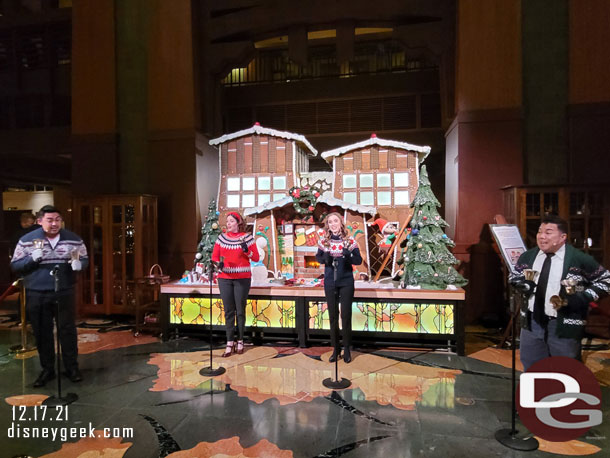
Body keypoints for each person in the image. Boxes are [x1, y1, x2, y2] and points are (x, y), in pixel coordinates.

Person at [511, 215, 610, 371]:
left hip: (563, 322)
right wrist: (521, 284)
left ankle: (565, 395)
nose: (542, 236)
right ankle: (536, 395)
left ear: (563, 237)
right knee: (532, 366)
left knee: (565, 369)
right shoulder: (528, 256)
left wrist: (583, 298)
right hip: (532, 321)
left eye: (548, 232)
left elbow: (605, 281)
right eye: (539, 231)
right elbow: (514, 275)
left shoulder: (579, 259)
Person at [10, 205, 88, 387]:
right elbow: (15, 265)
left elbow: (84, 258)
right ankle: (47, 369)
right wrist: (32, 259)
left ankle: (72, 367)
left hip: (64, 290)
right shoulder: (26, 240)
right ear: (39, 221)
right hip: (37, 292)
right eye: (50, 220)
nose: (54, 224)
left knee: (67, 330)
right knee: (42, 332)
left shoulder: (73, 239)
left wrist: (79, 265)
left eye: (57, 220)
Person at [316, 212, 363, 363]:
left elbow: (358, 260)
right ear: (328, 225)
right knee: (333, 316)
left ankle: (347, 348)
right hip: (330, 282)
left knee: (346, 315)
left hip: (346, 282)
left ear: (341, 223)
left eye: (335, 221)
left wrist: (348, 255)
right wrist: (326, 258)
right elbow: (319, 258)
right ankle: (336, 349)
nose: (333, 224)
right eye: (330, 222)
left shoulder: (349, 241)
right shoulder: (324, 241)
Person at [212, 211, 259, 357]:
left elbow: (256, 258)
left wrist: (247, 252)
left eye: (231, 221)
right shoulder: (221, 238)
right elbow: (214, 257)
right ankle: (229, 341)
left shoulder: (247, 238)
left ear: (238, 223)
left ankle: (240, 340)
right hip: (224, 278)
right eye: (227, 221)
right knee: (228, 311)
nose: (228, 224)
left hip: (242, 278)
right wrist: (217, 265)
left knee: (240, 310)